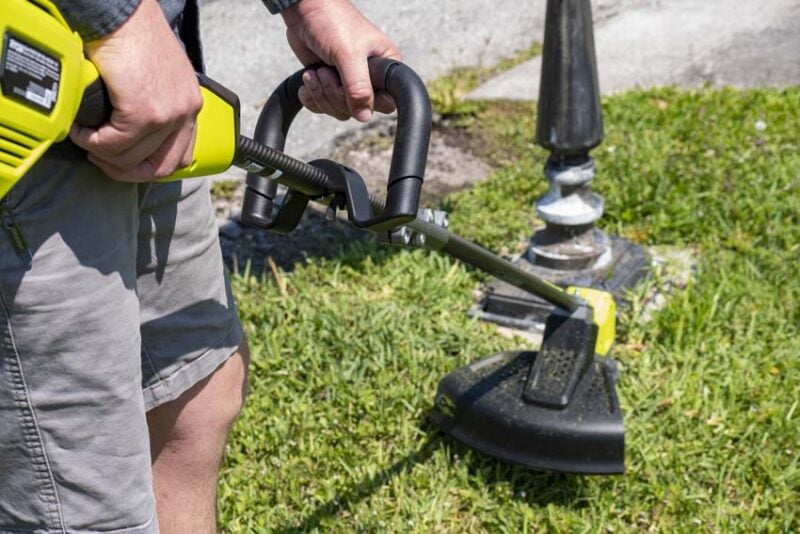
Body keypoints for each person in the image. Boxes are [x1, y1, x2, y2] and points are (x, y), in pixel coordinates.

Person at [0, 0, 401, 532]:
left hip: (154, 90)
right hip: (36, 112)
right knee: (83, 492)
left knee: (197, 394)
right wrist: (117, 20)